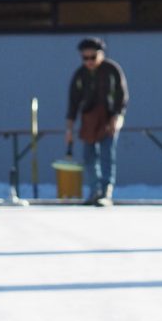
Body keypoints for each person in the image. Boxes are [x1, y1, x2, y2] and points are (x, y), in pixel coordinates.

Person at [65, 37, 128, 207]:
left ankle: (106, 192)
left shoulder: (111, 70)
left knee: (107, 154)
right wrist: (69, 128)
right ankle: (94, 191)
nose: (89, 62)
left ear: (101, 54)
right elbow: (73, 102)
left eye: (93, 57)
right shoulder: (80, 75)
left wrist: (117, 116)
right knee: (89, 156)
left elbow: (121, 95)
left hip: (109, 118)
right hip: (89, 121)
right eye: (85, 58)